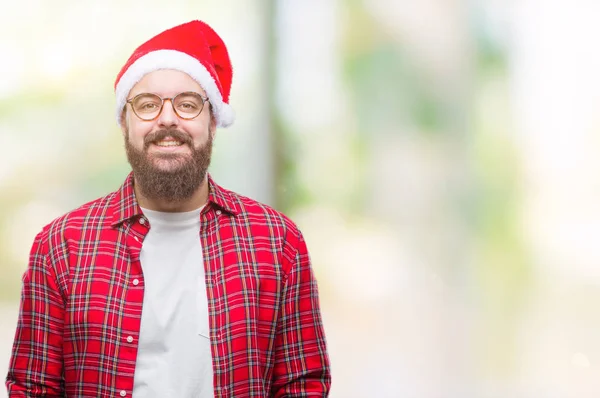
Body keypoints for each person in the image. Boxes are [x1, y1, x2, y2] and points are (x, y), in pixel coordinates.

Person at [6, 20, 331, 398]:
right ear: (124, 124)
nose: (167, 119)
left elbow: (301, 385)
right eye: (146, 105)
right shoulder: (61, 246)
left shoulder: (277, 241)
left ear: (213, 121)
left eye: (188, 104)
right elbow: (32, 388)